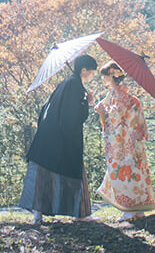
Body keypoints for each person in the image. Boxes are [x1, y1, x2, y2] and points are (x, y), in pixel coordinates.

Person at [20, 54, 98, 224]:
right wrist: (87, 103)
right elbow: (72, 116)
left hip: (47, 138)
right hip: (62, 140)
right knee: (73, 172)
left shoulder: (66, 84)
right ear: (83, 70)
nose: (93, 76)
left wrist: (83, 101)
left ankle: (38, 214)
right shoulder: (75, 86)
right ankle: (82, 214)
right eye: (92, 73)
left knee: (44, 176)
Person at [94, 61, 155, 220]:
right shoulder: (129, 97)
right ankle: (139, 209)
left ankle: (128, 210)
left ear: (110, 77)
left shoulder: (117, 97)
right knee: (136, 170)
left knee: (123, 173)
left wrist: (102, 113)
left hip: (121, 143)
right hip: (134, 141)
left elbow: (113, 120)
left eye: (104, 77)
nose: (102, 80)